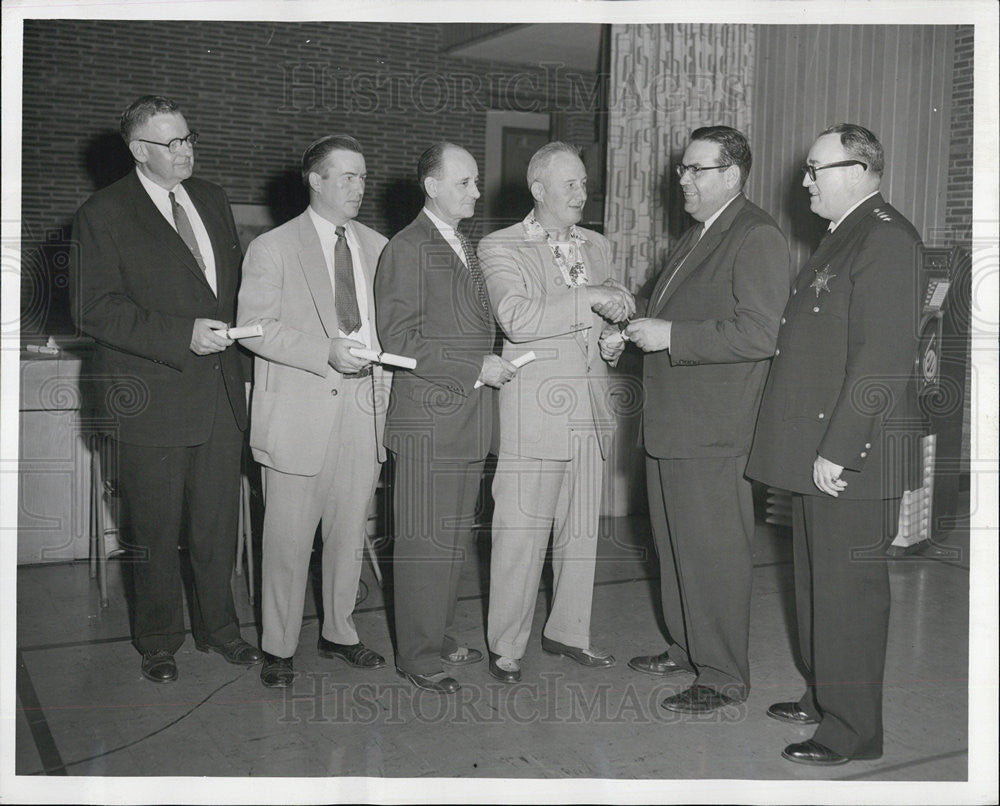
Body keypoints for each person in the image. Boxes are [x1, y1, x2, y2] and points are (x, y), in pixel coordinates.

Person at [746, 124, 923, 765]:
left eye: (815, 168)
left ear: (858, 168)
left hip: (855, 456)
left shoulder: (885, 238)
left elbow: (882, 360)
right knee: (818, 582)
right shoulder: (846, 235)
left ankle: (852, 730)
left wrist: (842, 448)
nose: (805, 180)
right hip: (823, 446)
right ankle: (825, 697)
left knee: (848, 592)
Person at [70, 95, 260, 683]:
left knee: (215, 524)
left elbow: (225, 291)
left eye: (188, 138)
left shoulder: (210, 199)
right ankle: (158, 641)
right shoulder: (103, 213)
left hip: (220, 396)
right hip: (149, 395)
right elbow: (93, 310)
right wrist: (182, 336)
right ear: (138, 151)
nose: (185, 151)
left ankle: (220, 631)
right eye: (170, 143)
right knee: (151, 529)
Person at [610, 126, 792, 713]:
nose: (681, 179)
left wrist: (669, 335)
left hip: (715, 433)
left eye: (695, 169)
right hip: (675, 428)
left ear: (731, 175)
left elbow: (760, 333)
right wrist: (631, 324)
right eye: (682, 169)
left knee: (712, 555)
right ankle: (687, 648)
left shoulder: (756, 235)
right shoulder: (699, 235)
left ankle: (722, 675)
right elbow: (675, 317)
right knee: (674, 546)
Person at [478, 141, 634, 684]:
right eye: (568, 184)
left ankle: (569, 632)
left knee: (581, 535)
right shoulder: (501, 246)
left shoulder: (597, 244)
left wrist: (613, 338)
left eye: (584, 183)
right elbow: (517, 317)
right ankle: (506, 645)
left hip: (590, 410)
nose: (580, 192)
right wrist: (592, 296)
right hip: (533, 411)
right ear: (538, 189)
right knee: (519, 537)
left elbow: (606, 318)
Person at [237, 135, 390, 688]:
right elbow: (256, 328)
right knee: (287, 540)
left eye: (362, 176)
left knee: (349, 534)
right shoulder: (273, 247)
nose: (358, 186)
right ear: (316, 181)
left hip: (363, 410)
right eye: (346, 176)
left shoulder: (378, 245)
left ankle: (339, 632)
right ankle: (278, 646)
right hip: (300, 411)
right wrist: (322, 350)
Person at [375, 142, 516, 694]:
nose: (477, 192)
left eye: (475, 182)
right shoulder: (407, 247)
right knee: (423, 544)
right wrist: (474, 366)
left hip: (468, 417)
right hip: (430, 421)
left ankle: (437, 633)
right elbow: (398, 338)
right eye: (464, 183)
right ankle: (416, 654)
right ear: (431, 187)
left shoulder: (462, 245)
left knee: (452, 543)